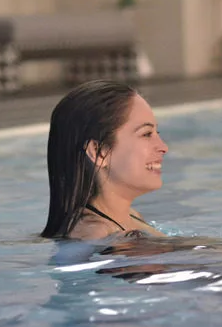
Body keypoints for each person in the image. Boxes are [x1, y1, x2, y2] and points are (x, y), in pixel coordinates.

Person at [41, 80, 168, 240]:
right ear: (98, 152)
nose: (163, 147)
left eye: (157, 133)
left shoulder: (130, 216)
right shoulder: (94, 234)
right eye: (146, 134)